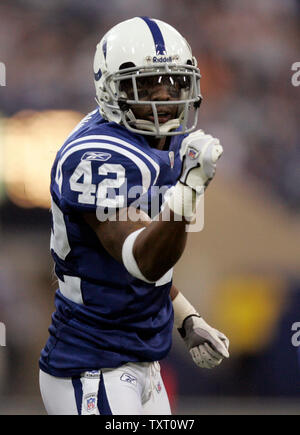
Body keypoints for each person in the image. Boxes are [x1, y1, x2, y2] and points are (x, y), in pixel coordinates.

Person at [39, 16, 229, 415]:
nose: (164, 98)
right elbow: (141, 260)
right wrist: (189, 192)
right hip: (92, 364)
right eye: (147, 86)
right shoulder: (96, 156)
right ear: (112, 90)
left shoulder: (161, 140)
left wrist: (187, 318)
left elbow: (136, 273)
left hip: (141, 359)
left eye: (173, 83)